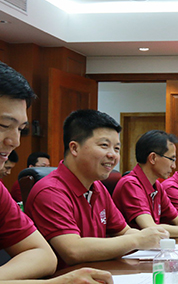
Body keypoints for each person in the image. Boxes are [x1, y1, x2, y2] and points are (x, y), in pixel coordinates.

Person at [0, 56, 112, 284]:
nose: (15, 141)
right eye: (4, 125)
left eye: (20, 129)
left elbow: (43, 255)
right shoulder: (50, 188)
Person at [25, 110, 168, 267]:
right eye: (104, 145)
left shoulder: (98, 187)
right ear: (74, 148)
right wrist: (138, 240)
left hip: (99, 274)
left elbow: (124, 231)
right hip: (65, 279)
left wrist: (152, 237)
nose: (113, 155)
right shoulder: (50, 192)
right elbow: (73, 250)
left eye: (117, 148)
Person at [112, 130, 178, 237]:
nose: (174, 166)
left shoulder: (156, 186)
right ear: (153, 158)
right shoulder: (130, 184)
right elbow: (150, 228)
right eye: (172, 159)